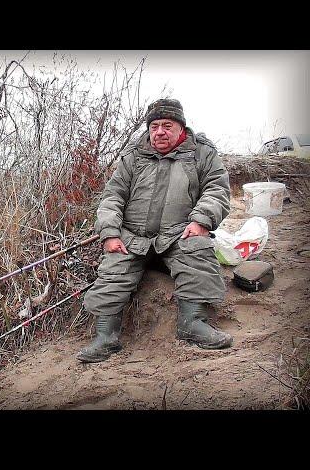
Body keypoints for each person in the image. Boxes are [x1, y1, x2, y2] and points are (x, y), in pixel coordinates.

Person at [77, 98, 232, 363]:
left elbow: (217, 189)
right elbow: (112, 196)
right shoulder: (132, 155)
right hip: (132, 237)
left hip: (179, 233)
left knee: (197, 251)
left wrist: (202, 221)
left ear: (181, 127)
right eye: (155, 126)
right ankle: (105, 337)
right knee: (113, 270)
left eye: (167, 126)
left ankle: (192, 323)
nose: (159, 132)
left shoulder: (202, 153)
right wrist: (110, 233)